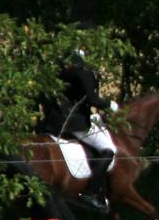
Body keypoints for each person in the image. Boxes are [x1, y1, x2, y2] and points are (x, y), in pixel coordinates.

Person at [39, 50, 119, 210]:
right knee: (109, 150)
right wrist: (110, 104)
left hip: (52, 122)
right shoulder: (82, 70)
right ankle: (90, 192)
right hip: (75, 123)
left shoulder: (58, 67)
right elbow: (91, 98)